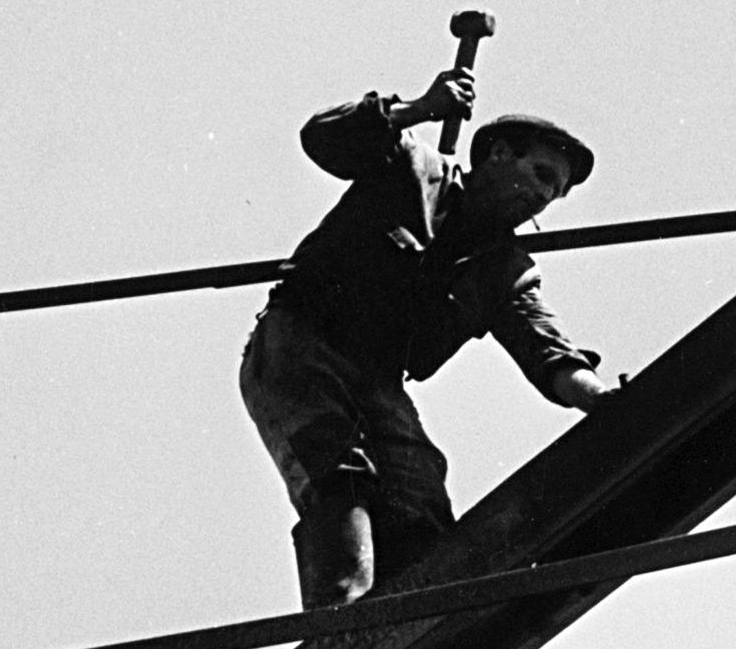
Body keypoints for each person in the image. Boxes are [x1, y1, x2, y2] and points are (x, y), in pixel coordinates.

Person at [239, 62, 612, 610]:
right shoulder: (412, 164)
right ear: (498, 155)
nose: (543, 199)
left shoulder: (502, 269)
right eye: (540, 175)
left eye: (554, 194)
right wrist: (417, 109)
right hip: (301, 343)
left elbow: (545, 348)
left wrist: (600, 398)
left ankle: (406, 631)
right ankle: (337, 628)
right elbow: (322, 138)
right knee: (342, 486)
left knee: (421, 512)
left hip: (378, 379)